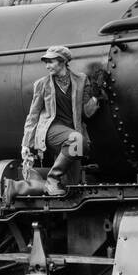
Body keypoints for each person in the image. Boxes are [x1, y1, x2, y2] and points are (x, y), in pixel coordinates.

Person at [19, 45, 101, 196]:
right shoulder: (42, 84)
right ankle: (52, 177)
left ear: (62, 61)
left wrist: (96, 96)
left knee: (71, 185)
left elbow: (86, 113)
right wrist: (26, 144)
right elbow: (33, 115)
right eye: (46, 62)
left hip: (72, 132)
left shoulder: (81, 80)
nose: (47, 66)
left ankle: (49, 196)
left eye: (50, 62)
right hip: (51, 129)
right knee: (78, 140)